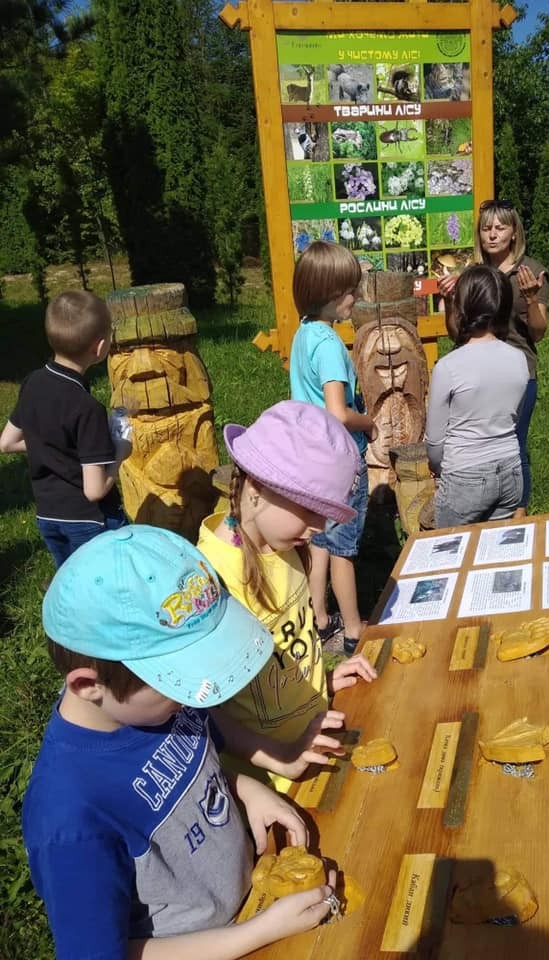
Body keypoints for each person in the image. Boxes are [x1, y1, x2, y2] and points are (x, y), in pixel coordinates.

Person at [22, 524, 338, 960]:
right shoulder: (71, 817)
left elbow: (196, 758)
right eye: (180, 683)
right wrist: (256, 933)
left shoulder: (151, 707)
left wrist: (246, 789)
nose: (199, 693)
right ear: (87, 685)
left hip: (255, 904)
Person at [197, 400, 377, 793]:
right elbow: (201, 709)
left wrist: (321, 682)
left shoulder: (284, 545)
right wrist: (282, 757)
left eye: (325, 514)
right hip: (275, 780)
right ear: (257, 488)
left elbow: (285, 649)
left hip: (315, 740)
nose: (319, 527)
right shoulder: (212, 582)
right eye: (309, 510)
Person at [289, 240, 377, 654]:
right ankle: (355, 630)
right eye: (349, 291)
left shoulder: (304, 334)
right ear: (328, 294)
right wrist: (369, 423)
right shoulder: (328, 344)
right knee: (343, 547)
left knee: (320, 538)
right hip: (340, 459)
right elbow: (339, 413)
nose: (356, 297)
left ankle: (319, 618)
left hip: (312, 457)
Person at [0, 290, 129, 567]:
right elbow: (94, 490)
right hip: (89, 521)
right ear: (100, 347)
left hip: (48, 516)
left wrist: (53, 445)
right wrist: (120, 452)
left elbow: (7, 443)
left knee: (71, 579)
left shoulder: (33, 382)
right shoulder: (87, 408)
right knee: (109, 580)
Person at [439, 200, 549, 517]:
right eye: (486, 228)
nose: (492, 235)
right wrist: (450, 302)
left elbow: (538, 332)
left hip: (517, 371)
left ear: (514, 232)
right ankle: (479, 504)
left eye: (500, 228)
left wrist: (530, 300)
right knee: (475, 443)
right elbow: (457, 334)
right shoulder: (471, 273)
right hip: (474, 372)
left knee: (515, 442)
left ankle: (518, 513)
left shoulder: (531, 271)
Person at [426, 265, 529, 527]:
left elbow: (435, 441)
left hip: (463, 474)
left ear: (461, 307)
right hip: (510, 469)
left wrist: (439, 469)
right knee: (495, 546)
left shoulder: (448, 367)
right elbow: (513, 418)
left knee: (453, 548)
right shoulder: (519, 359)